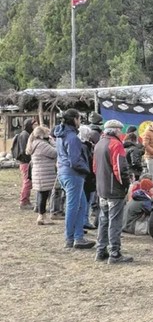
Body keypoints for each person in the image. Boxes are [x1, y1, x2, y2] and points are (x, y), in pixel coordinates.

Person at [93, 120, 133, 263]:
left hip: (102, 188)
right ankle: (114, 253)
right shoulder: (116, 145)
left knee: (103, 220)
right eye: (120, 130)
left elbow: (95, 167)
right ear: (115, 130)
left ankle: (100, 250)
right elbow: (120, 169)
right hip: (114, 189)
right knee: (114, 221)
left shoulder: (99, 144)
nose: (121, 133)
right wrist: (127, 185)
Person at [54, 109, 94, 249]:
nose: (80, 121)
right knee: (73, 207)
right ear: (74, 119)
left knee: (81, 205)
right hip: (73, 175)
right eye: (79, 119)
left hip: (64, 172)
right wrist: (87, 170)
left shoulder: (61, 135)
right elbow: (75, 161)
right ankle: (70, 238)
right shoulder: (72, 138)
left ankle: (78, 237)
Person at [25, 126, 57, 225]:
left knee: (41, 194)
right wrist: (52, 142)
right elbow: (55, 153)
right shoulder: (42, 144)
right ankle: (42, 216)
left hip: (39, 173)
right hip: (44, 173)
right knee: (43, 195)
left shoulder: (35, 143)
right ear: (42, 135)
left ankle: (41, 215)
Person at [13, 118, 37, 209]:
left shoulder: (28, 134)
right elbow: (25, 151)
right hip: (26, 162)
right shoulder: (24, 135)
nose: (36, 126)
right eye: (34, 125)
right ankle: (24, 202)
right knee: (27, 182)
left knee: (28, 182)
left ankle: (26, 200)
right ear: (29, 125)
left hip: (27, 162)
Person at [78, 125, 97, 231]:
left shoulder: (85, 146)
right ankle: (84, 221)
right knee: (85, 201)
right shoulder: (85, 147)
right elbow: (88, 161)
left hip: (87, 176)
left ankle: (84, 221)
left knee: (86, 200)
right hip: (87, 177)